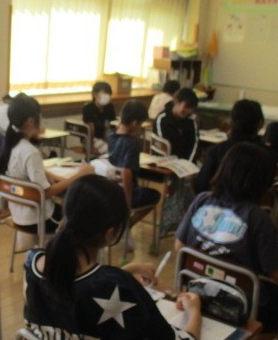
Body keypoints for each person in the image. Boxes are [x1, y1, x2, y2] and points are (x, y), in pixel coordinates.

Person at [24, 175, 202, 340]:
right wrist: (194, 313)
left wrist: (127, 270)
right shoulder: (118, 287)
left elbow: (73, 292)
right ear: (109, 233)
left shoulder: (33, 265)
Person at [175, 142, 278, 340]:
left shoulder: (202, 201)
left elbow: (180, 248)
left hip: (195, 289)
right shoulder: (258, 218)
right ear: (262, 182)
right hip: (236, 301)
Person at [0, 93, 94, 235]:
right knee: (83, 215)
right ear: (31, 121)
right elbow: (45, 193)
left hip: (18, 215)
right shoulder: (30, 151)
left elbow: (28, 175)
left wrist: (56, 177)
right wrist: (79, 175)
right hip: (40, 219)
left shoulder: (10, 145)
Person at [108, 100, 161, 229]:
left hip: (110, 188)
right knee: (155, 195)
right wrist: (127, 203)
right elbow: (126, 172)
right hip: (124, 191)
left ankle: (122, 226)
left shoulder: (110, 136)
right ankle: (127, 225)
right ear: (135, 123)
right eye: (141, 124)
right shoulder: (132, 144)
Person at [194, 99, 266, 193]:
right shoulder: (266, 154)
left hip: (219, 200)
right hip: (254, 201)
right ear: (260, 124)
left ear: (231, 122)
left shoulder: (217, 151)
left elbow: (201, 185)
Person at [154, 87, 199, 161]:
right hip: (164, 162)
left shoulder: (190, 121)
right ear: (176, 101)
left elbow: (194, 145)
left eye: (191, 108)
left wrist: (188, 163)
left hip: (185, 163)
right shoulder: (162, 119)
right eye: (186, 106)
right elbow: (163, 146)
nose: (188, 111)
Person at [82, 81, 117, 155]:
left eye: (108, 94)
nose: (107, 96)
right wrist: (91, 147)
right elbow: (91, 129)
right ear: (94, 95)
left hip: (106, 137)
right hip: (91, 138)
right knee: (108, 150)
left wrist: (106, 139)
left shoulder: (110, 107)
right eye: (104, 93)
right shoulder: (88, 108)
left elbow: (110, 126)